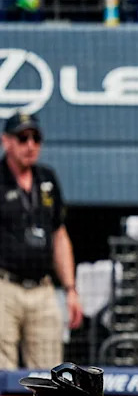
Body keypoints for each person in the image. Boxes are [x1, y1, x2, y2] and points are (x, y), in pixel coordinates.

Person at [0, 113, 83, 369]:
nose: (30, 145)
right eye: (23, 138)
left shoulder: (47, 178)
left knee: (49, 376)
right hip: (4, 287)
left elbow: (59, 234)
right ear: (7, 142)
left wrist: (70, 289)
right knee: (2, 373)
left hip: (43, 288)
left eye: (36, 138)